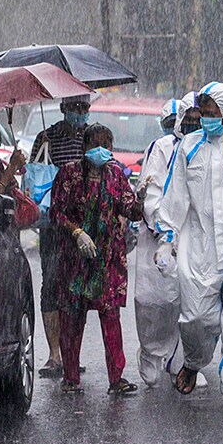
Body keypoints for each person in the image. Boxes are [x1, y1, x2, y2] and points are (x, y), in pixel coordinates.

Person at [154, 81, 223, 405]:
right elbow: (176, 196)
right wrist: (167, 238)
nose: (208, 118)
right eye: (204, 113)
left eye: (214, 113)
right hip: (200, 247)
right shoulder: (189, 147)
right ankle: (193, 360)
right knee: (197, 318)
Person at [49, 123, 146, 394]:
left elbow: (130, 209)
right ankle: (71, 377)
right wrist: (77, 232)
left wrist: (141, 199)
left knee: (110, 317)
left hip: (107, 260)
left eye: (107, 145)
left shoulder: (115, 174)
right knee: (72, 318)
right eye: (96, 144)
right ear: (85, 147)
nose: (101, 150)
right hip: (75, 259)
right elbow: (56, 213)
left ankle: (116, 378)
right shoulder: (68, 174)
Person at [134, 94, 207, 389]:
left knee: (191, 302)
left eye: (196, 120)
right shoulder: (162, 149)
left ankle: (182, 362)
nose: (191, 125)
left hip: (194, 238)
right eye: (187, 120)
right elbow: (152, 190)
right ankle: (152, 355)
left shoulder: (208, 149)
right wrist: (164, 229)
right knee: (154, 301)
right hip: (159, 238)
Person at [29, 94, 92, 379]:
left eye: (85, 107)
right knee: (51, 286)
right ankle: (55, 354)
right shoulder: (46, 137)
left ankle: (70, 353)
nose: (81, 113)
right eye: (76, 107)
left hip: (81, 227)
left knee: (75, 290)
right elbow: (33, 178)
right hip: (53, 227)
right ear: (64, 108)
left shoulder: (90, 138)